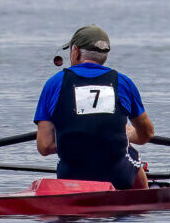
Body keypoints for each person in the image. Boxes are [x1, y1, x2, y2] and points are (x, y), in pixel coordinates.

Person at [32, 25, 153, 189]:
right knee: (129, 151)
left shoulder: (54, 84)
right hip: (118, 177)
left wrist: (71, 138)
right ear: (105, 55)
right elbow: (147, 134)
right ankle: (142, 200)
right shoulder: (123, 83)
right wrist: (125, 135)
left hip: (71, 179)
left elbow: (44, 146)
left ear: (75, 51)